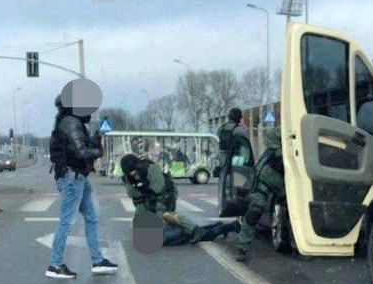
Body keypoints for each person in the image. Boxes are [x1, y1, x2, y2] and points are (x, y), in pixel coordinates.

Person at [46, 95, 118, 279]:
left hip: (79, 178)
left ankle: (98, 261)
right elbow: (81, 152)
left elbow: (82, 146)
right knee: (67, 221)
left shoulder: (73, 122)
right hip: (72, 177)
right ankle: (54, 265)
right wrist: (99, 151)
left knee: (92, 218)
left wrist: (98, 135)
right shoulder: (70, 122)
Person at [120, 153, 240, 245]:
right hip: (160, 217)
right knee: (201, 233)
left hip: (166, 195)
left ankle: (221, 227)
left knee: (166, 215)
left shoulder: (149, 169)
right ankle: (222, 226)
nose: (131, 175)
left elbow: (158, 191)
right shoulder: (129, 177)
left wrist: (144, 191)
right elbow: (137, 200)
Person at [235, 126, 285, 262]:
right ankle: (242, 248)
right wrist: (281, 155)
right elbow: (270, 134)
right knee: (254, 210)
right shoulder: (288, 129)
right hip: (264, 181)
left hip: (286, 185)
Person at [214, 107, 249, 176]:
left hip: (224, 160)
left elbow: (218, 146)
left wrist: (221, 159)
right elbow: (245, 148)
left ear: (229, 117)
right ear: (240, 118)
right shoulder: (239, 130)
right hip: (236, 162)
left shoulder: (221, 128)